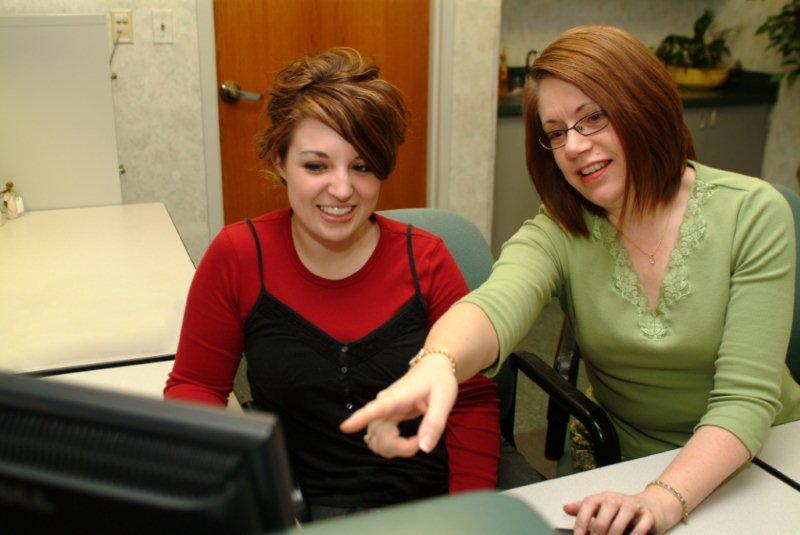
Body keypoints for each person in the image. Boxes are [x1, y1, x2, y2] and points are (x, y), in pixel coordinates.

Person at [341, 25, 800, 535]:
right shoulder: (561, 228)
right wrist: (438, 363)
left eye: (593, 118)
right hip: (628, 461)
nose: (575, 146)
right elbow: (495, 304)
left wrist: (664, 499)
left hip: (762, 459)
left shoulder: (753, 213)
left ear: (644, 105)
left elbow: (745, 401)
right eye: (557, 133)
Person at [165, 48, 500, 520]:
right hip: (300, 507)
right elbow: (195, 386)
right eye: (316, 166)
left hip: (429, 502)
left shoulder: (426, 259)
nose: (342, 190)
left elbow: (471, 398)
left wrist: (471, 516)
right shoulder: (238, 256)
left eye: (361, 167)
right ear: (279, 161)